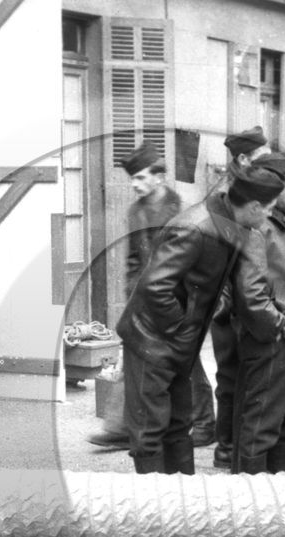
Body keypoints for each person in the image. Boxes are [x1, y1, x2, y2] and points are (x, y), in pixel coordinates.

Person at [116, 167, 283, 475]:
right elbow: (155, 286)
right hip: (150, 340)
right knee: (150, 431)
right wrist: (180, 332)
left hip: (176, 341)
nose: (270, 215)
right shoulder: (196, 228)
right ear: (255, 207)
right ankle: (155, 514)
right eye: (270, 208)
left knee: (179, 424)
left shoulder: (230, 223)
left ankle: (184, 508)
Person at [88, 141, 183, 450]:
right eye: (133, 178)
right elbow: (133, 260)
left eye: (141, 177)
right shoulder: (135, 211)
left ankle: (197, 426)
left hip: (176, 300)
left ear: (159, 176)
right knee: (132, 358)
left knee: (184, 367)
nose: (135, 184)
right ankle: (119, 427)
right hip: (143, 299)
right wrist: (133, 292)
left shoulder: (180, 208)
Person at [228, 152, 285, 473]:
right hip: (274, 337)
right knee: (262, 421)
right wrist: (277, 328)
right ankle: (251, 500)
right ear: (277, 188)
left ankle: (277, 488)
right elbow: (251, 292)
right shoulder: (258, 228)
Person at [210, 126, 273, 467]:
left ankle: (233, 442)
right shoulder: (225, 195)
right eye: (262, 157)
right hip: (228, 298)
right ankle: (225, 445)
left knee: (242, 375)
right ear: (244, 159)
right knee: (230, 374)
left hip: (242, 294)